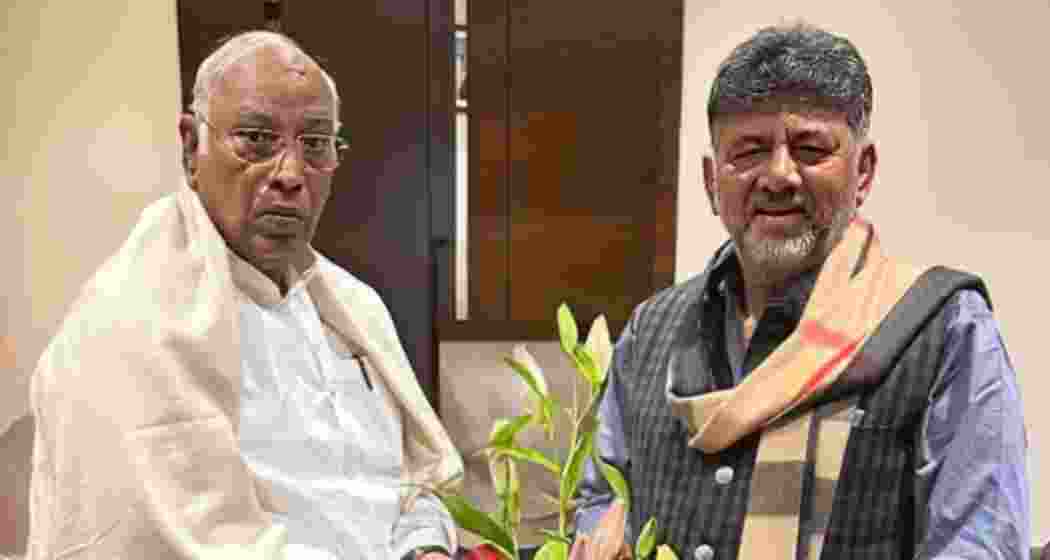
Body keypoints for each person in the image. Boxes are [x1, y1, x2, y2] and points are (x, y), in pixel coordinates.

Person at [574, 22, 1030, 560]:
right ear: (709, 181)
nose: (779, 175)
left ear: (864, 172)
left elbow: (978, 544)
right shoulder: (650, 331)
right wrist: (606, 529)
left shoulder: (943, 329)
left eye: (811, 149)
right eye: (748, 150)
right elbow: (601, 493)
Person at [27, 31, 462, 560]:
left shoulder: (355, 308)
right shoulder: (132, 323)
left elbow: (413, 483)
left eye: (316, 144)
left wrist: (425, 548)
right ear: (192, 147)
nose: (290, 174)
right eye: (256, 140)